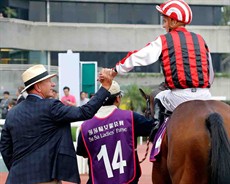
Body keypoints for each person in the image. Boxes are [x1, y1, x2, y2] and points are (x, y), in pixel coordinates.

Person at [0, 64, 114, 184]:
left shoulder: (12, 113)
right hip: (45, 178)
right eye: (49, 81)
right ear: (38, 87)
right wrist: (105, 87)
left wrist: (17, 170)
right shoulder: (51, 107)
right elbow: (84, 112)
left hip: (16, 178)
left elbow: (5, 147)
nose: (53, 85)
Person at [111, 0, 214, 133]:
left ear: (174, 22)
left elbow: (139, 57)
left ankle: (157, 138)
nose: (164, 25)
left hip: (179, 96)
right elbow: (210, 74)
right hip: (205, 95)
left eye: (165, 21)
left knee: (158, 97)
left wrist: (116, 70)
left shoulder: (164, 39)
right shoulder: (200, 39)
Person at [76, 80, 155, 184]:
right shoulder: (130, 117)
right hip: (128, 179)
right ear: (118, 98)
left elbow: (83, 152)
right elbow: (154, 127)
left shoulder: (85, 126)